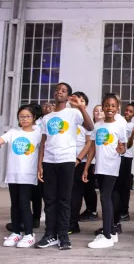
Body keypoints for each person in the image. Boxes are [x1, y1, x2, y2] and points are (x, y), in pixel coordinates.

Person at [36, 83, 94, 250]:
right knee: (49, 199)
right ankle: (49, 234)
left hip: (66, 160)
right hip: (49, 161)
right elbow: (43, 142)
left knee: (64, 199)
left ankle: (63, 235)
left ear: (68, 96)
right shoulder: (47, 117)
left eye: (63, 91)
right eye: (57, 90)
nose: (59, 92)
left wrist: (82, 107)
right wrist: (40, 165)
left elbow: (90, 127)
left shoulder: (73, 113)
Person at [0, 105, 42, 248]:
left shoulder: (38, 133)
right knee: (15, 204)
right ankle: (16, 232)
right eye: (21, 116)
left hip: (28, 174)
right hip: (13, 174)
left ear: (34, 118)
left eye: (27, 116)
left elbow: (43, 151)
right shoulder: (13, 132)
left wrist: (40, 168)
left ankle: (29, 234)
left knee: (24, 203)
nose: (24, 119)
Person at [83, 93, 126, 249]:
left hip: (111, 166)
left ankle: (107, 235)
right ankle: (112, 233)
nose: (110, 108)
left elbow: (123, 147)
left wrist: (121, 149)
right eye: (107, 105)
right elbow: (93, 148)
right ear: (103, 106)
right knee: (105, 197)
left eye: (113, 106)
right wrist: (87, 167)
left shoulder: (120, 125)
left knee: (105, 198)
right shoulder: (98, 125)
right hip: (99, 167)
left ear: (117, 108)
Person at [69, 92, 96, 235]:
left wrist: (78, 160)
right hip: (64, 160)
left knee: (75, 194)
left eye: (80, 100)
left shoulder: (85, 119)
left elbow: (88, 144)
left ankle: (72, 224)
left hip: (78, 162)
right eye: (73, 98)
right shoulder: (66, 116)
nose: (75, 101)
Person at [113, 102, 134, 224]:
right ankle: (117, 209)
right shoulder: (119, 122)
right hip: (117, 156)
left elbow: (129, 145)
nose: (127, 113)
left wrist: (132, 133)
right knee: (117, 184)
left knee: (124, 185)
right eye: (126, 110)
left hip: (127, 157)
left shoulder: (132, 126)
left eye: (130, 111)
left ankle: (124, 211)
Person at [79, 104, 104, 222]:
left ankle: (93, 211)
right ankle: (90, 209)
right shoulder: (90, 126)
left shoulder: (105, 127)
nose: (98, 112)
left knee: (90, 188)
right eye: (96, 111)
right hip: (88, 161)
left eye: (101, 110)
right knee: (85, 187)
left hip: (97, 162)